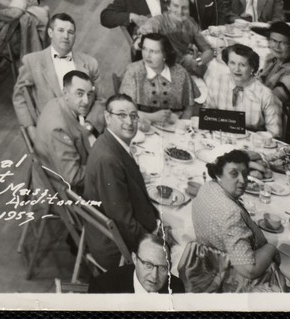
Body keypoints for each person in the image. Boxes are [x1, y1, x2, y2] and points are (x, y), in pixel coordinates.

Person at [81, 93, 159, 271]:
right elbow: (123, 222)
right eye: (121, 115)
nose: (129, 122)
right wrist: (154, 240)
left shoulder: (109, 142)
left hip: (113, 235)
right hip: (116, 250)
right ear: (107, 117)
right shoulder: (108, 160)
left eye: (133, 116)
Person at [189, 148, 281, 291]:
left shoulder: (208, 186)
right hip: (232, 279)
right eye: (234, 174)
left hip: (207, 262)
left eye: (245, 174)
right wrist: (271, 248)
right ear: (218, 173)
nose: (243, 180)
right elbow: (248, 270)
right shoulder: (231, 213)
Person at [11, 14, 101, 127]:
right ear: (50, 33)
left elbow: (100, 100)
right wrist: (29, 127)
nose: (66, 36)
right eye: (61, 30)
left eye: (70, 32)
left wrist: (90, 125)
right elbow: (19, 97)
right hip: (51, 130)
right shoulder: (33, 61)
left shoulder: (90, 63)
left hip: (85, 127)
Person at [33, 70, 97, 192]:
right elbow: (73, 177)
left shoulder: (57, 103)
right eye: (80, 94)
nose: (86, 101)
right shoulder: (58, 129)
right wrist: (103, 170)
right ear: (65, 93)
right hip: (67, 191)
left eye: (89, 94)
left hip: (63, 165)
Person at [201, 44, 285, 137]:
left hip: (251, 144)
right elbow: (207, 116)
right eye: (232, 63)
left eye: (242, 65)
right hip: (219, 138)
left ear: (252, 67)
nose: (236, 69)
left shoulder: (265, 94)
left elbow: (275, 133)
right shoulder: (218, 82)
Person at [120, 32, 198, 124]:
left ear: (165, 54)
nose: (147, 55)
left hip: (174, 128)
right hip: (142, 126)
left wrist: (181, 124)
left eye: (154, 51)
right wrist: (152, 117)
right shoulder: (133, 71)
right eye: (144, 49)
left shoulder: (180, 72)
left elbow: (189, 106)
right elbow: (124, 110)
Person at [137, 0, 214, 73]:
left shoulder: (190, 23)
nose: (180, 11)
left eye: (184, 8)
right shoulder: (157, 23)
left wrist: (196, 62)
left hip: (185, 69)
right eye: (176, 6)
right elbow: (141, 45)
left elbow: (208, 51)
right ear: (168, 6)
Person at [88, 231, 186, 294]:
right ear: (134, 259)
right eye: (148, 265)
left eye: (163, 268)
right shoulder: (102, 288)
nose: (154, 276)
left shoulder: (176, 288)